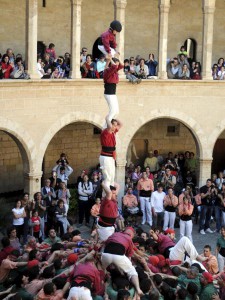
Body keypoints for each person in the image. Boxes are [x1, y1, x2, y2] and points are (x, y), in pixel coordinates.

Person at [101, 227, 144, 296]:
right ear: (132, 235)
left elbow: (104, 243)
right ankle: (138, 289)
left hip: (106, 255)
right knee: (132, 271)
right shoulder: (129, 239)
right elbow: (129, 256)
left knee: (101, 270)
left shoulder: (115, 234)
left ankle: (101, 284)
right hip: (119, 256)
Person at [99, 117, 122, 189]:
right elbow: (109, 126)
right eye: (114, 125)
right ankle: (106, 193)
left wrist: (115, 117)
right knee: (108, 177)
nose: (115, 127)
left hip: (111, 157)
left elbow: (121, 124)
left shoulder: (113, 132)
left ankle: (110, 190)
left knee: (112, 176)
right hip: (106, 157)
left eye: (115, 125)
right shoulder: (106, 132)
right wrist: (107, 118)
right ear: (110, 125)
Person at [103, 56, 123, 127]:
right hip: (109, 93)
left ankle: (111, 123)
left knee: (117, 111)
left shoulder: (114, 71)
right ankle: (105, 126)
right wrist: (110, 59)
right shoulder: (108, 71)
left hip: (112, 93)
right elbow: (114, 66)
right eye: (116, 64)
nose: (117, 66)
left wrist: (118, 57)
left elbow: (122, 65)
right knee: (113, 110)